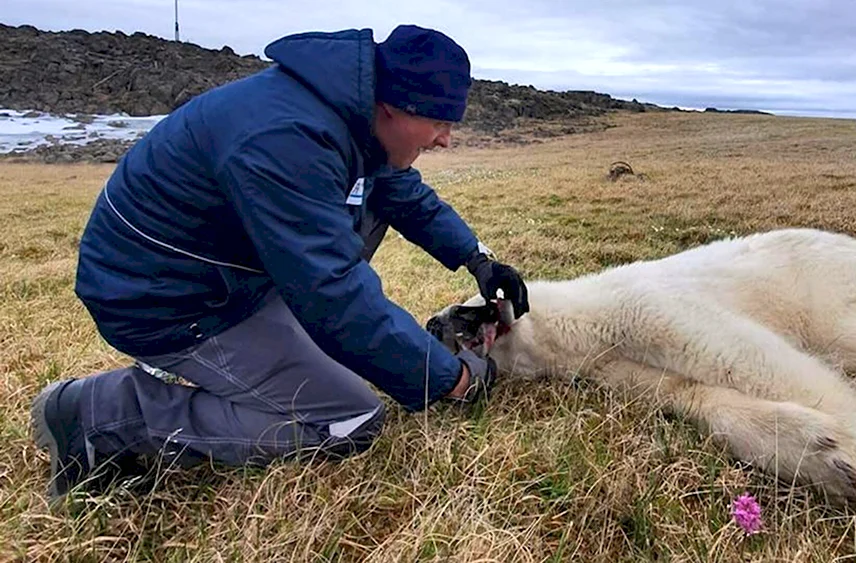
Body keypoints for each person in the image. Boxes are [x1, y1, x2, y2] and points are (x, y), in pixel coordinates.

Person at [30, 24, 530, 502]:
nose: (445, 139)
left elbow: (402, 195)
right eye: (440, 122)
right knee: (348, 418)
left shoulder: (350, 118)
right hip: (164, 299)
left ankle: (291, 346)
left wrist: (479, 260)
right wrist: (450, 380)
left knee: (347, 319)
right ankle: (99, 415)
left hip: (223, 278)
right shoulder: (288, 138)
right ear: (393, 107)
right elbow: (331, 290)